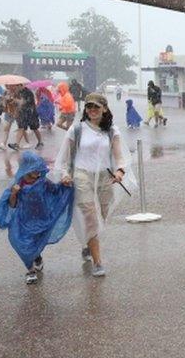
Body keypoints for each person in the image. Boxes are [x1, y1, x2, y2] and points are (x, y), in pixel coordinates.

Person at [54, 93, 137, 277]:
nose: (92, 110)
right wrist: (66, 174)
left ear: (104, 109)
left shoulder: (112, 131)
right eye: (89, 106)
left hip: (106, 176)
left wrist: (120, 171)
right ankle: (98, 262)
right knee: (91, 217)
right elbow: (66, 156)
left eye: (96, 107)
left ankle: (87, 244)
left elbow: (118, 155)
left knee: (103, 215)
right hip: (82, 175)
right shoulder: (76, 130)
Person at [0, 151, 75, 284]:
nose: (38, 172)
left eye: (39, 169)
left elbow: (55, 191)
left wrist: (65, 185)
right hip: (23, 220)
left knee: (35, 241)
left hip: (41, 219)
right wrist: (14, 194)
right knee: (21, 243)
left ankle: (37, 257)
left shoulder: (43, 182)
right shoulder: (18, 184)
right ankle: (30, 270)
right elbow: (12, 205)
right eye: (35, 169)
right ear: (28, 167)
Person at [0, 84, 20, 149]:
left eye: (10, 85)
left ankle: (23, 142)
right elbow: (3, 102)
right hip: (9, 112)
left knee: (21, 129)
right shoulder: (5, 92)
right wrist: (4, 100)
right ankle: (3, 143)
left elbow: (20, 102)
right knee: (6, 128)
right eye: (6, 85)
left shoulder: (18, 92)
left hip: (17, 112)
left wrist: (12, 99)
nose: (8, 87)